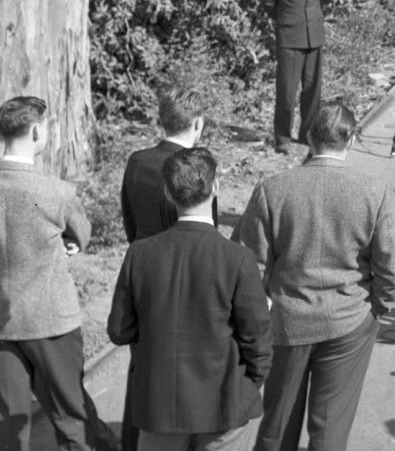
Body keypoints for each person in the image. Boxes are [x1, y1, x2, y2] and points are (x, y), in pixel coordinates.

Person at [233, 100, 395, 451]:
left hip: (287, 319)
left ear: (309, 138)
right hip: (350, 319)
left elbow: (251, 262)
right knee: (329, 431)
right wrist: (377, 308)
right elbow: (391, 266)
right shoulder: (375, 193)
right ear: (352, 140)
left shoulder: (273, 189)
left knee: (277, 422)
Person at [107, 147, 273, 451]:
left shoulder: (139, 253)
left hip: (159, 408)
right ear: (216, 188)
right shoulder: (237, 259)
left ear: (168, 194)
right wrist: (250, 384)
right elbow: (258, 341)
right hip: (225, 406)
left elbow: (119, 331)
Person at [0, 97, 98, 451]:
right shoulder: (53, 193)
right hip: (51, 321)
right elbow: (80, 232)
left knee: (11, 427)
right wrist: (70, 242)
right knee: (70, 419)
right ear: (37, 131)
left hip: (2, 325)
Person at [262, 0, 326, 153]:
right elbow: (268, 2)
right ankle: (282, 138)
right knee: (287, 91)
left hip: (314, 36)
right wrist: (287, 20)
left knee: (312, 90)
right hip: (290, 36)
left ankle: (307, 134)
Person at [121, 87, 214, 243]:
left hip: (142, 256)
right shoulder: (198, 167)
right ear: (198, 123)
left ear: (162, 121)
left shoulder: (136, 161)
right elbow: (206, 229)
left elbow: (129, 219)